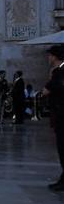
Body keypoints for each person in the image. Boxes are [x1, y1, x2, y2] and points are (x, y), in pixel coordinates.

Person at [44, 46, 64, 190]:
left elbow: (46, 91)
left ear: (55, 56)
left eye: (50, 55)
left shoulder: (58, 72)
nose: (48, 58)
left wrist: (51, 77)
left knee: (62, 148)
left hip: (61, 115)